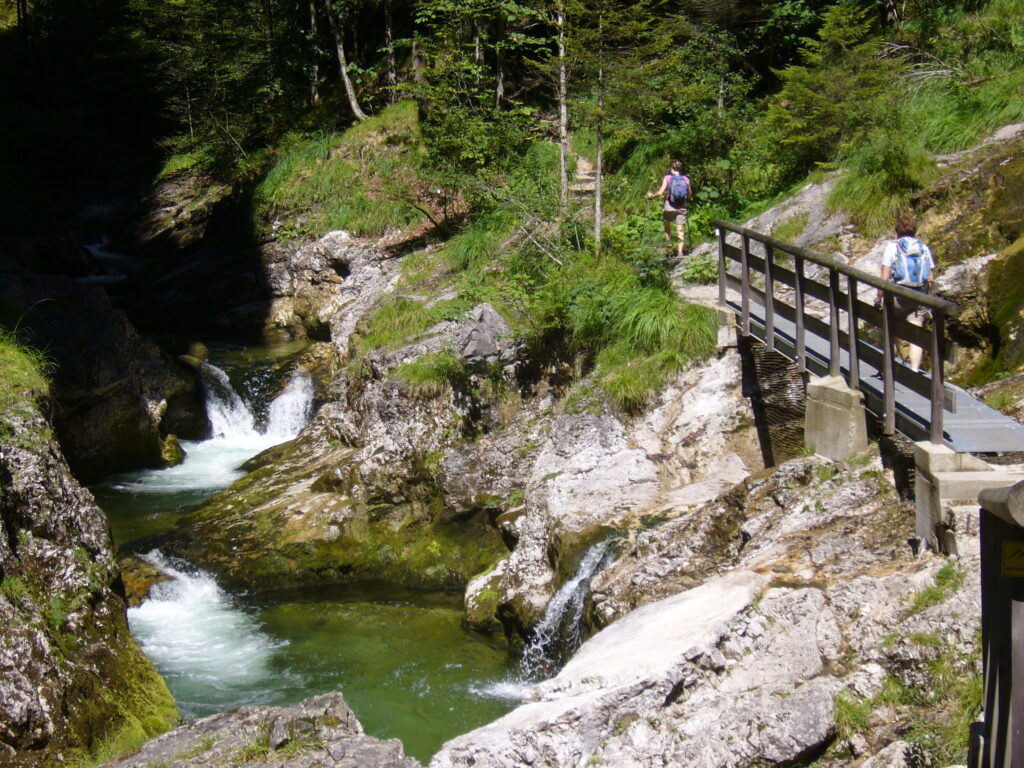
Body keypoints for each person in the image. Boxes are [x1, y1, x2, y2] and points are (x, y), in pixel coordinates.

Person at [874, 216, 935, 372]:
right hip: (918, 297)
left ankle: (888, 369)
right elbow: (930, 278)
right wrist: (927, 297)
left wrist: (879, 298)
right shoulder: (924, 248)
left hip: (897, 296)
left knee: (890, 330)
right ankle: (914, 370)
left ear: (897, 231)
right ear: (915, 230)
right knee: (916, 335)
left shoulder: (892, 247)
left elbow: (885, 277)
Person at [647, 160, 690, 259]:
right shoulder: (686, 179)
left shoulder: (668, 178)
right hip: (682, 206)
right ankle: (680, 252)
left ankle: (669, 248)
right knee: (680, 230)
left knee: (667, 225)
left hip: (669, 206)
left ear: (671, 168)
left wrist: (651, 196)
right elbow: (689, 194)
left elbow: (660, 193)